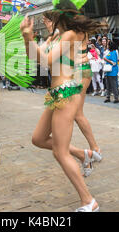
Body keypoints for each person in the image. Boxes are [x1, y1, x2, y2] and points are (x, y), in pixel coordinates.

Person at [21, 0, 102, 212]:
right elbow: (37, 58)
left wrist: (32, 39)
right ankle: (83, 153)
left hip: (67, 94)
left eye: (51, 17)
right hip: (58, 95)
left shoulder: (68, 35)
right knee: (38, 139)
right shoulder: (58, 37)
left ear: (59, 17)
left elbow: (45, 61)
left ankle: (88, 200)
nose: (48, 21)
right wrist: (27, 38)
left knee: (59, 152)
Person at [41, 11, 102, 176]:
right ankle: (88, 151)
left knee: (77, 114)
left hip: (79, 72)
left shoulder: (72, 33)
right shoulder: (67, 33)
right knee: (75, 114)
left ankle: (93, 149)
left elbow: (48, 58)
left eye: (48, 20)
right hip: (76, 72)